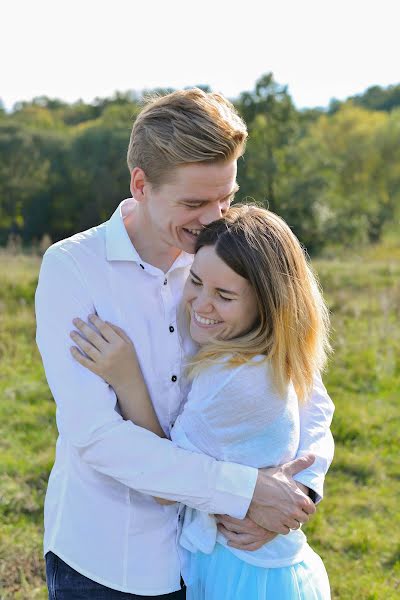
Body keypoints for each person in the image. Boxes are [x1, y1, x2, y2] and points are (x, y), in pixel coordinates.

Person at [35, 89, 334, 599]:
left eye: (227, 198)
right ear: (141, 185)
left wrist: (295, 493)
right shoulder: (73, 270)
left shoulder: (229, 256)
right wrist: (247, 493)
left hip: (220, 560)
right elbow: (98, 436)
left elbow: (305, 391)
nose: (215, 217)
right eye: (195, 203)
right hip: (110, 562)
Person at [69, 205, 332, 599]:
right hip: (263, 564)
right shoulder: (270, 356)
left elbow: (165, 482)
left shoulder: (232, 380)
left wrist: (128, 380)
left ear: (266, 304)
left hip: (242, 574)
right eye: (195, 281)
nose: (200, 304)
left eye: (224, 295)